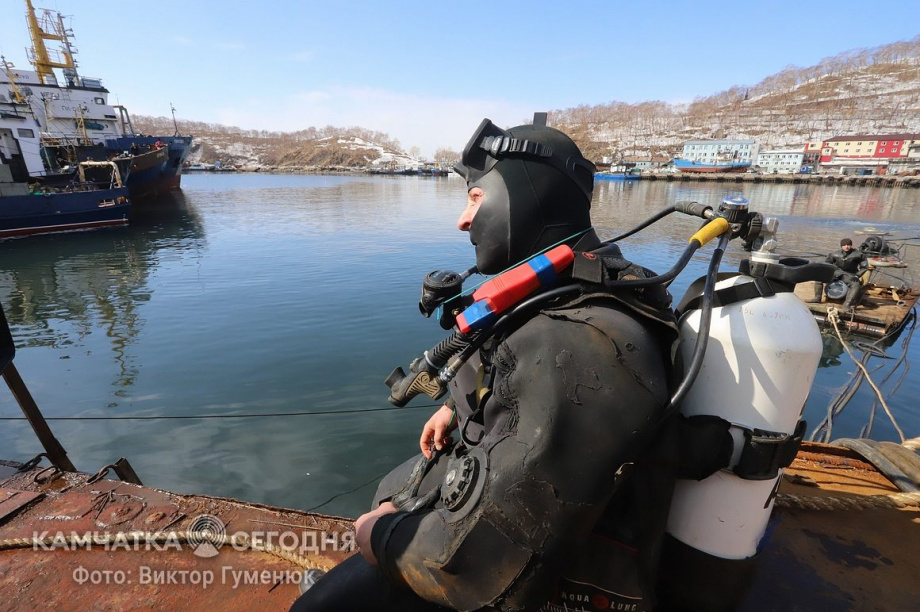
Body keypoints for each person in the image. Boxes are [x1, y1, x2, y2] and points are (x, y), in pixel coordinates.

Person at [290, 115, 679, 612]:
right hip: (508, 504)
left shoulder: (582, 345)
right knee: (391, 494)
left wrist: (379, 538)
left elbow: (481, 572)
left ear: (528, 197)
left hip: (543, 583)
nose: (463, 220)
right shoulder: (567, 297)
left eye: (475, 198)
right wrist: (459, 407)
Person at [808, 238, 868, 310]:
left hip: (849, 274)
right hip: (836, 272)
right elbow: (827, 264)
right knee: (818, 279)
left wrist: (857, 275)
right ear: (841, 246)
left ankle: (847, 304)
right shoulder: (834, 254)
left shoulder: (858, 254)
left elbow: (864, 266)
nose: (846, 247)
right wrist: (829, 272)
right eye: (844, 245)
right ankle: (817, 298)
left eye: (848, 245)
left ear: (851, 245)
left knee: (856, 285)